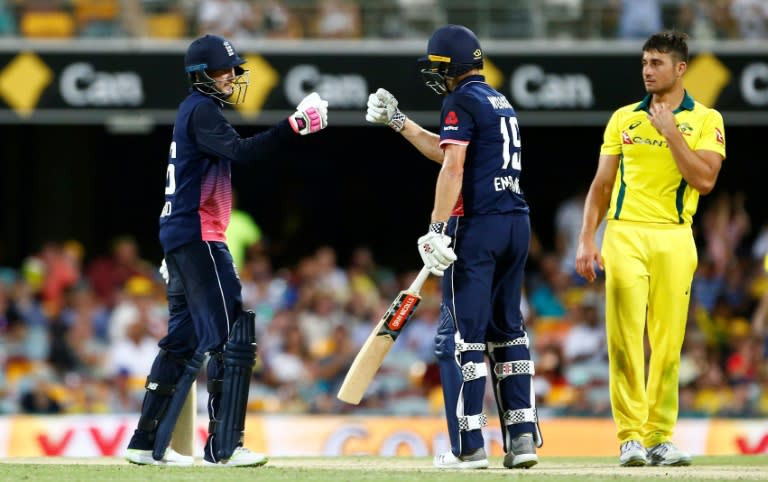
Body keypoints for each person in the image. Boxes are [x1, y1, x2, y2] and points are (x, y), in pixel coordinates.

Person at [124, 33, 328, 467]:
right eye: (225, 70)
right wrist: (296, 125)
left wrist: (174, 245)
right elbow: (243, 152)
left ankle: (145, 443)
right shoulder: (201, 110)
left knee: (182, 341)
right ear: (201, 75)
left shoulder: (192, 110)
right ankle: (224, 447)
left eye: (235, 69)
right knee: (230, 336)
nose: (234, 76)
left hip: (183, 234)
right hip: (199, 236)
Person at [365, 24, 542, 470]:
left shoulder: (459, 100)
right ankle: (521, 441)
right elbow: (448, 152)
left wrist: (437, 227)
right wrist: (399, 121)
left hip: (477, 225)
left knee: (462, 339)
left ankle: (469, 447)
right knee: (508, 331)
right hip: (516, 224)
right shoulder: (498, 100)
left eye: (439, 67)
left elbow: (454, 168)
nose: (436, 76)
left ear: (455, 67)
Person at [575, 30, 726, 467]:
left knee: (668, 343)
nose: (647, 70)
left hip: (676, 237)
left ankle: (660, 437)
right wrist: (588, 237)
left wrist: (671, 132)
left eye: (656, 63)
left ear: (680, 69)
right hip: (624, 233)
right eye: (644, 62)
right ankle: (630, 438)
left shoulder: (707, 119)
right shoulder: (624, 118)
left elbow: (705, 180)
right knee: (623, 338)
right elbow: (601, 185)